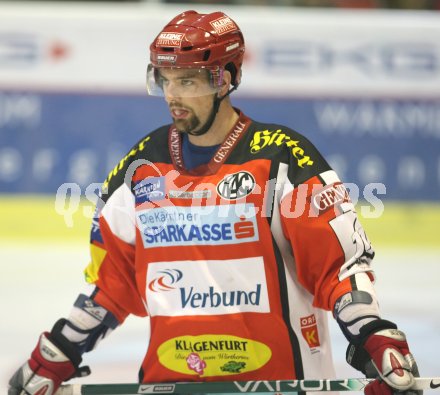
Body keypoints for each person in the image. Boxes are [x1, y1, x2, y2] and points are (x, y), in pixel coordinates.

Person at [9, 10, 421, 395]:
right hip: (170, 384)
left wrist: (375, 336)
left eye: (187, 81)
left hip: (279, 385)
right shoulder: (139, 167)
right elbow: (112, 285)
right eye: (164, 79)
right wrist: (57, 353)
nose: (173, 95)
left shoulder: (281, 156)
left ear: (225, 79)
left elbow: (340, 267)